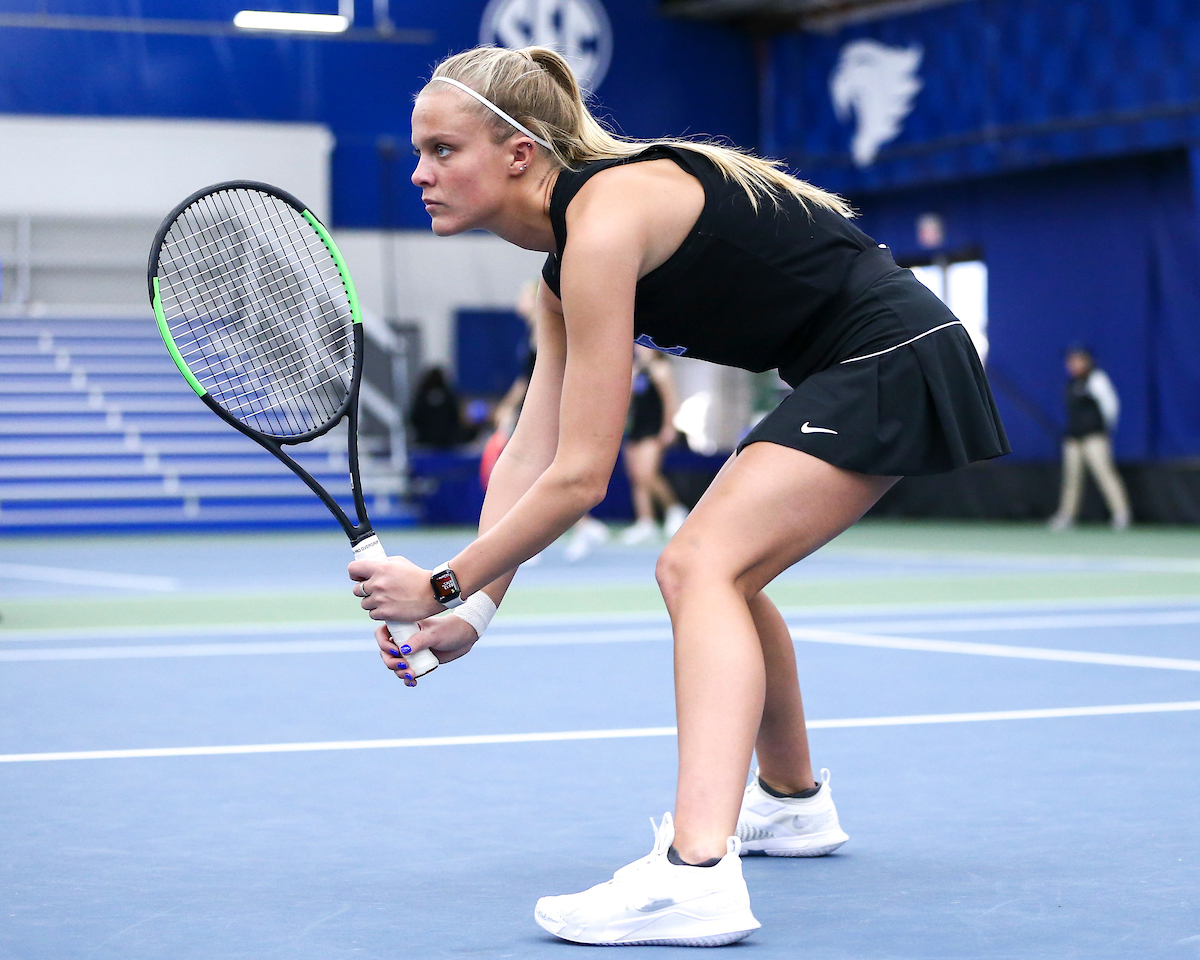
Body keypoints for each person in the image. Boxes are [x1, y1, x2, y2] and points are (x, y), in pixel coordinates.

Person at [348, 45, 1009, 947]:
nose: (420, 172)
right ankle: (792, 802)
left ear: (516, 153)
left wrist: (446, 584)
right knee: (726, 575)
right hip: (851, 364)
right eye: (419, 151)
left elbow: (583, 476)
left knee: (697, 565)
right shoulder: (558, 272)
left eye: (441, 150)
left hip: (890, 353)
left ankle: (696, 873)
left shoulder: (606, 217)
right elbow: (528, 456)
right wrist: (476, 610)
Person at [1048, 345, 1131, 531]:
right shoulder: (1071, 383)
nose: (1073, 364)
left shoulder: (1097, 379)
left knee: (1105, 474)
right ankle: (1067, 516)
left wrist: (1101, 430)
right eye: (1070, 361)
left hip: (1095, 438)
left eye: (1078, 360)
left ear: (1087, 361)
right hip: (1073, 439)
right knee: (1071, 478)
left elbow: (1111, 407)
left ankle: (1121, 514)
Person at [620, 344, 688, 544]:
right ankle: (645, 522)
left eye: (643, 347)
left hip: (653, 429)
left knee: (648, 475)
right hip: (636, 429)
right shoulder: (637, 370)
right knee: (636, 477)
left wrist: (669, 427)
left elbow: (671, 401)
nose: (639, 350)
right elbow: (629, 401)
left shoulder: (661, 369)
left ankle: (675, 509)